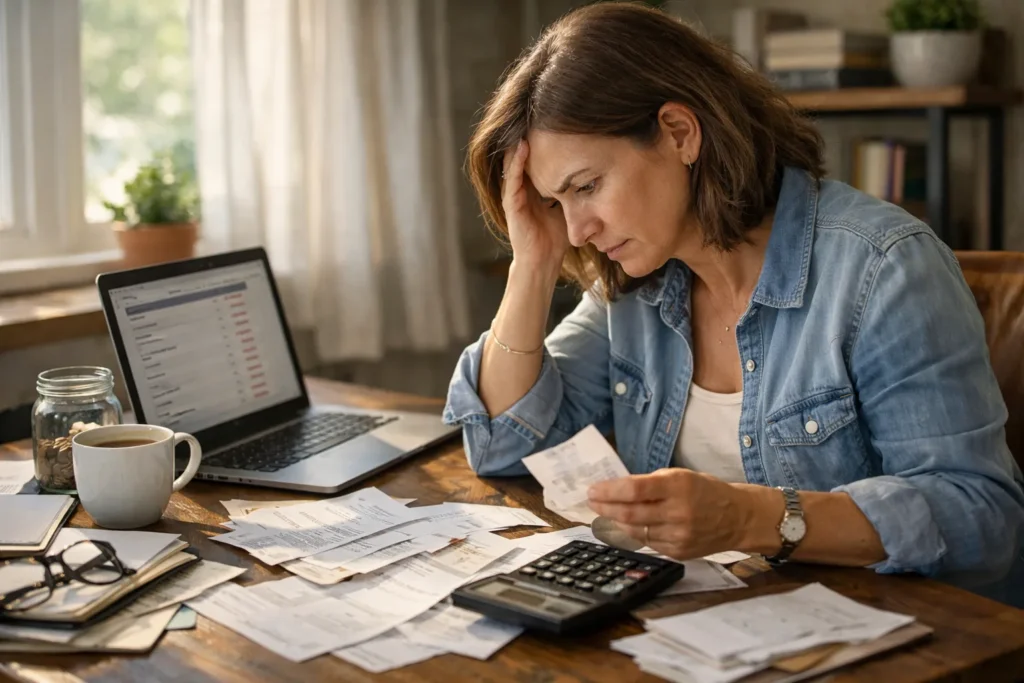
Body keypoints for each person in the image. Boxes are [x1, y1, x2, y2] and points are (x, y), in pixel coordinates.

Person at [442, 2, 1024, 607]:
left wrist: (754, 517)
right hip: (720, 625)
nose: (579, 229)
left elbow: (981, 519)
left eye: (586, 186)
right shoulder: (635, 284)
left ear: (678, 133)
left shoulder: (883, 267)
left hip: (908, 635)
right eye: (555, 203)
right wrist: (532, 264)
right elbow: (503, 446)